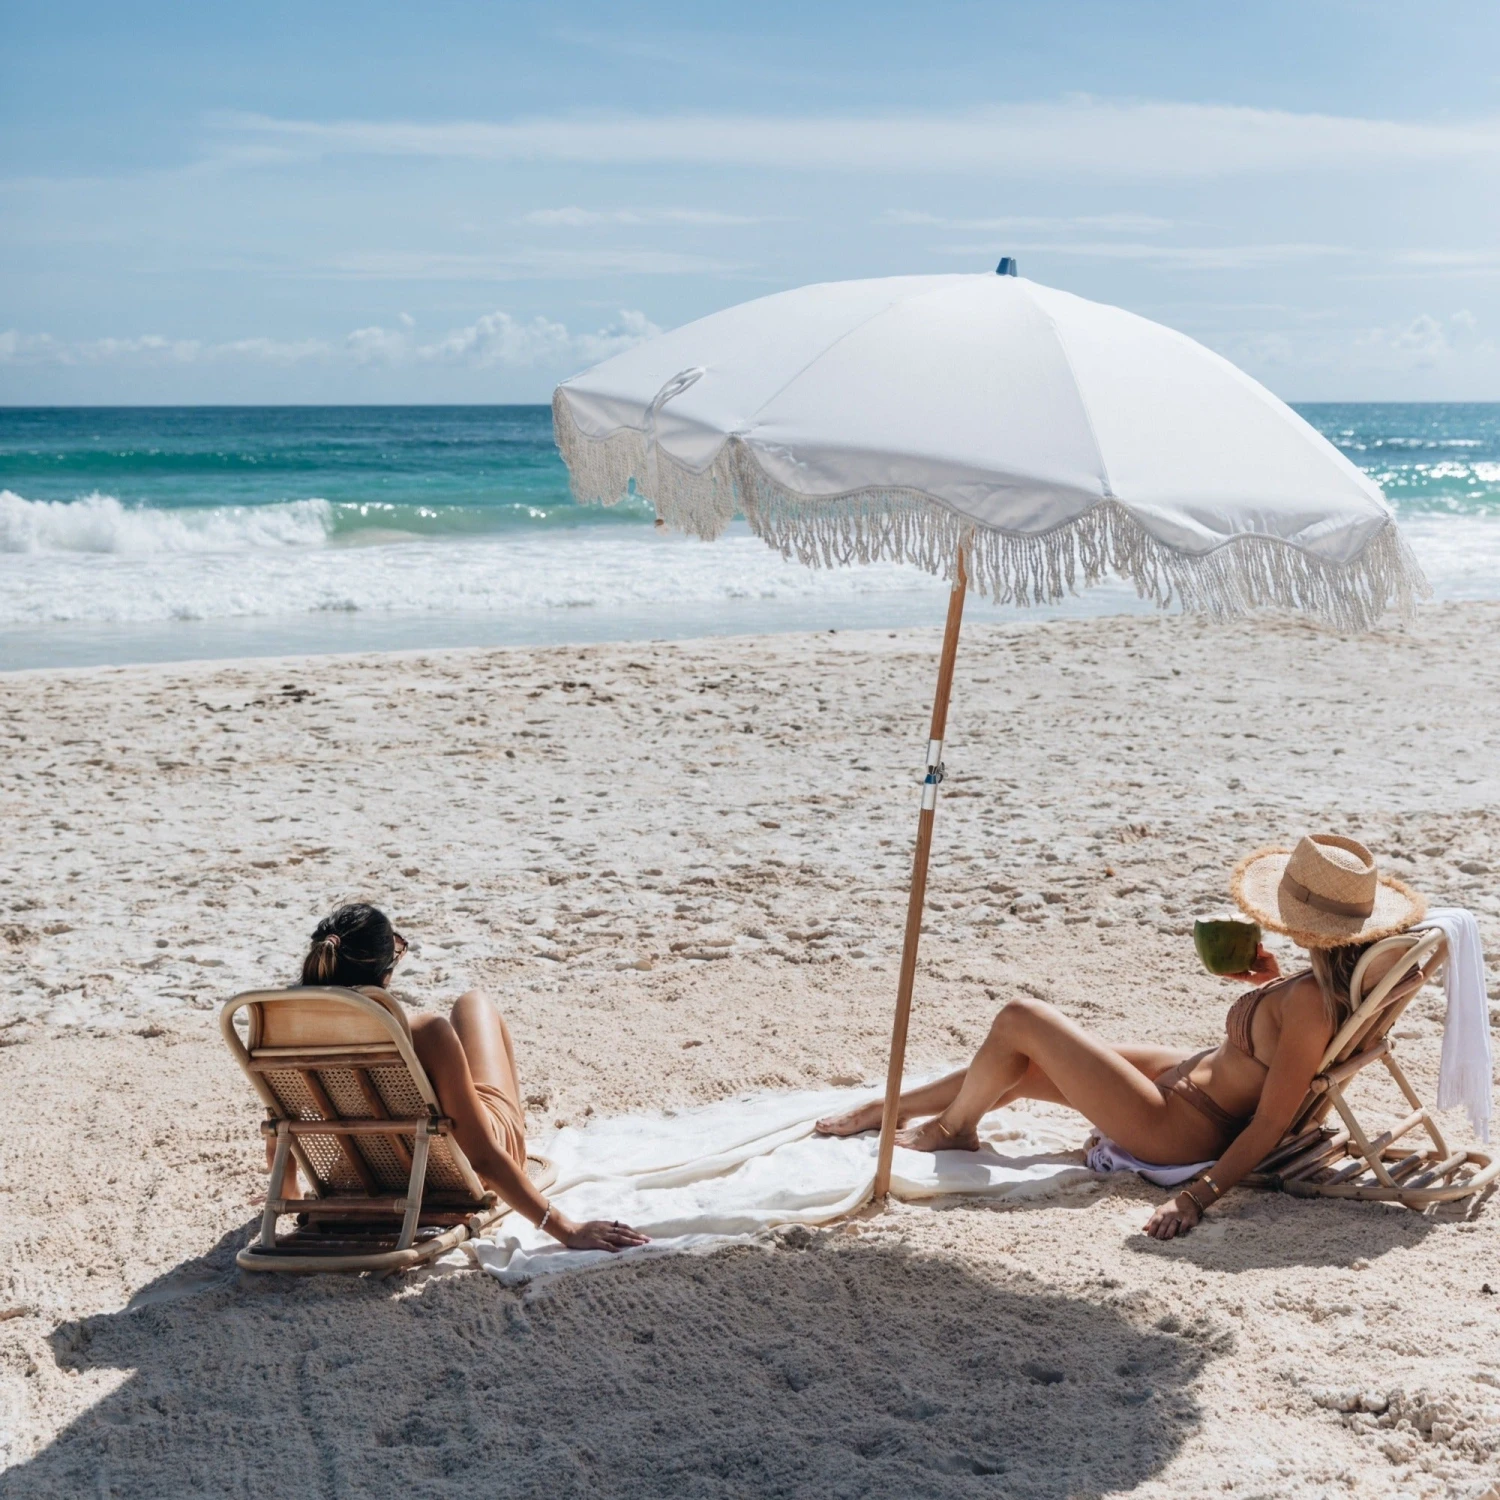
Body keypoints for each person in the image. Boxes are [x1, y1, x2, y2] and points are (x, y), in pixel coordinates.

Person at [816, 833, 1426, 1240]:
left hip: (1185, 1125)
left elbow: (1269, 1122)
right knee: (1022, 1065)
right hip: (1189, 1078)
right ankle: (887, 1108)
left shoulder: (1311, 1007)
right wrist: (1268, 984)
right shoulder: (1317, 981)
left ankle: (954, 1127)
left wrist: (1194, 1199)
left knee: (1021, 1019)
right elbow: (1275, 1047)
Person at [286, 902, 649, 1254]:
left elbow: (281, 1124)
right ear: (385, 972)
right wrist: (566, 1229)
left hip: (364, 1171)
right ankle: (518, 1150)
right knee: (473, 1003)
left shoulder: (288, 1032)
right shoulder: (424, 1034)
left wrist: (287, 1193)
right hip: (453, 1173)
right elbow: (484, 1158)